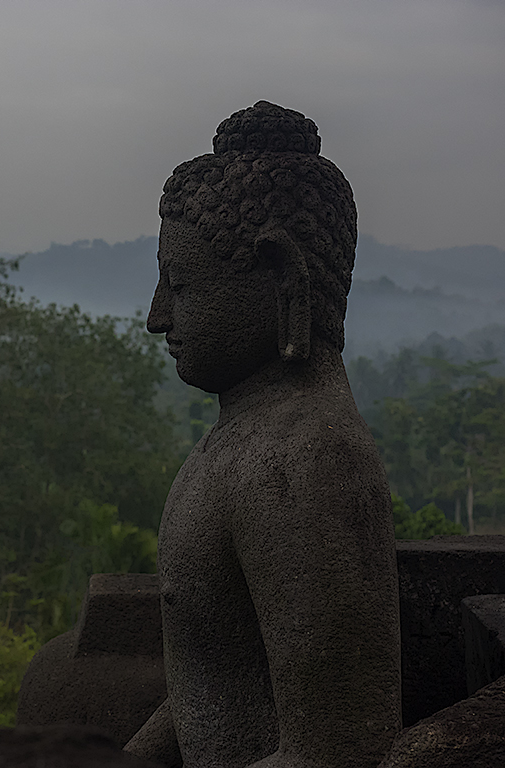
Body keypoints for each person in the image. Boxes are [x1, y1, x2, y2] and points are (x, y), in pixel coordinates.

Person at [125, 101, 401, 768]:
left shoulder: (308, 461)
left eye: (182, 285)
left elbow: (338, 750)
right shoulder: (244, 437)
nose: (158, 317)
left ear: (281, 276)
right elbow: (211, 682)